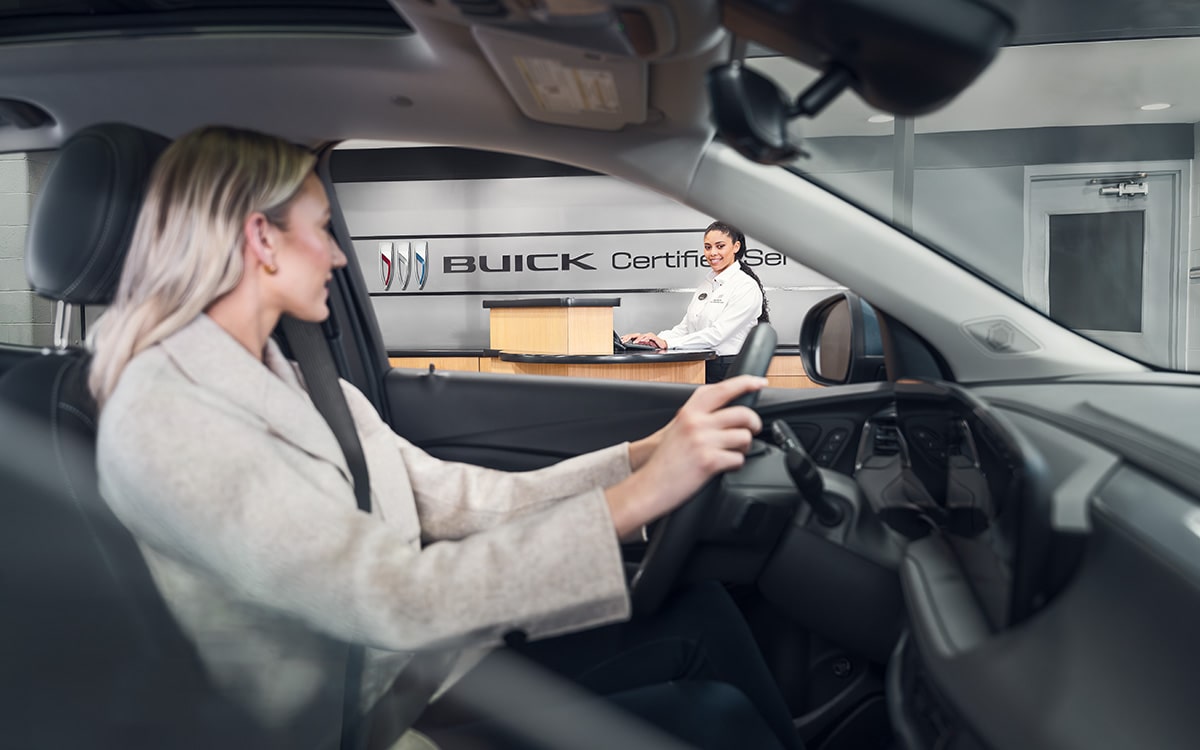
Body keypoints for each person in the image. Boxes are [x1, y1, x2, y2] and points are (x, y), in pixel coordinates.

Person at [88, 126, 800, 750]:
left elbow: (459, 500)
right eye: (324, 228)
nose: (338, 256)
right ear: (260, 237)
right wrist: (636, 500)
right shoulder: (167, 415)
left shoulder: (296, 379)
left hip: (411, 660)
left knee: (702, 612)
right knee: (711, 718)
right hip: (354, 712)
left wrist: (648, 453)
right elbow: (388, 597)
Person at [622, 221, 769, 383]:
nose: (712, 253)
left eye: (720, 246)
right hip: (702, 365)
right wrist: (652, 341)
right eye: (707, 247)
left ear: (736, 247)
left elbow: (717, 334)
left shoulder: (746, 286)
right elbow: (685, 328)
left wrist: (667, 343)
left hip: (729, 368)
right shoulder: (707, 283)